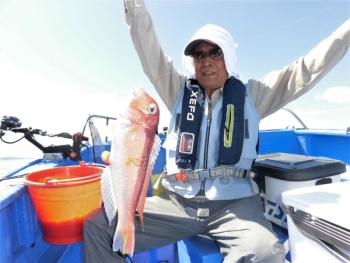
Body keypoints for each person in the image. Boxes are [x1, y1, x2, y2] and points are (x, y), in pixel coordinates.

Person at [83, 1, 350, 262]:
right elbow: (147, 47)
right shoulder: (177, 90)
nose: (207, 61)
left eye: (215, 53)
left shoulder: (254, 95)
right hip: (176, 203)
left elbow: (305, 70)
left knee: (265, 253)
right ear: (194, 63)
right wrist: (135, 6)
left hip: (235, 205)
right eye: (200, 55)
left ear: (227, 58)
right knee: (97, 227)